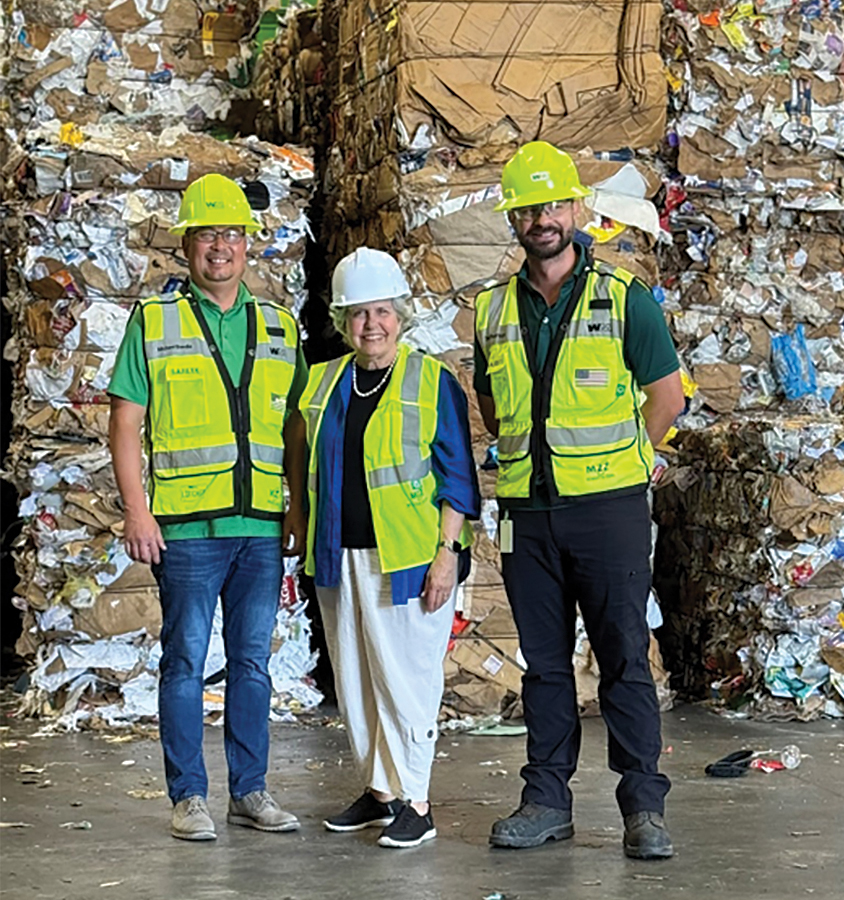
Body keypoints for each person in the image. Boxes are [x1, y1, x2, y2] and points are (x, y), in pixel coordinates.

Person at [474, 142, 684, 859]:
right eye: (528, 208)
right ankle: (546, 800)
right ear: (514, 218)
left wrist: (630, 459)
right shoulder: (491, 310)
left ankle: (643, 807)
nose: (542, 219)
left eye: (553, 205)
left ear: (576, 209)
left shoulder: (625, 300)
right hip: (527, 514)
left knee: (624, 655)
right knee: (543, 665)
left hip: (608, 512)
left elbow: (667, 396)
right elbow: (492, 404)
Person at [108, 173, 305, 841]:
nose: (220, 247)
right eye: (206, 235)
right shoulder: (154, 322)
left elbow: (297, 428)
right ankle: (188, 796)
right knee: (185, 662)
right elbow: (126, 421)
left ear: (248, 244)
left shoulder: (280, 327)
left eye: (230, 234)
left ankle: (249, 791)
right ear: (186, 244)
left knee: (252, 664)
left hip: (261, 527)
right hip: (188, 530)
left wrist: (297, 509)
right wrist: (137, 511)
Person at [283, 247, 480, 849]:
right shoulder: (323, 382)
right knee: (355, 680)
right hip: (337, 553)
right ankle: (379, 791)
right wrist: (298, 521)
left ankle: (416, 801)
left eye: (382, 312)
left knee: (405, 681)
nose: (371, 324)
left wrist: (447, 554)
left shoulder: (430, 380)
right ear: (343, 321)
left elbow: (458, 477)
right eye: (359, 313)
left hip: (409, 560)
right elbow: (302, 458)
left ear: (400, 315)